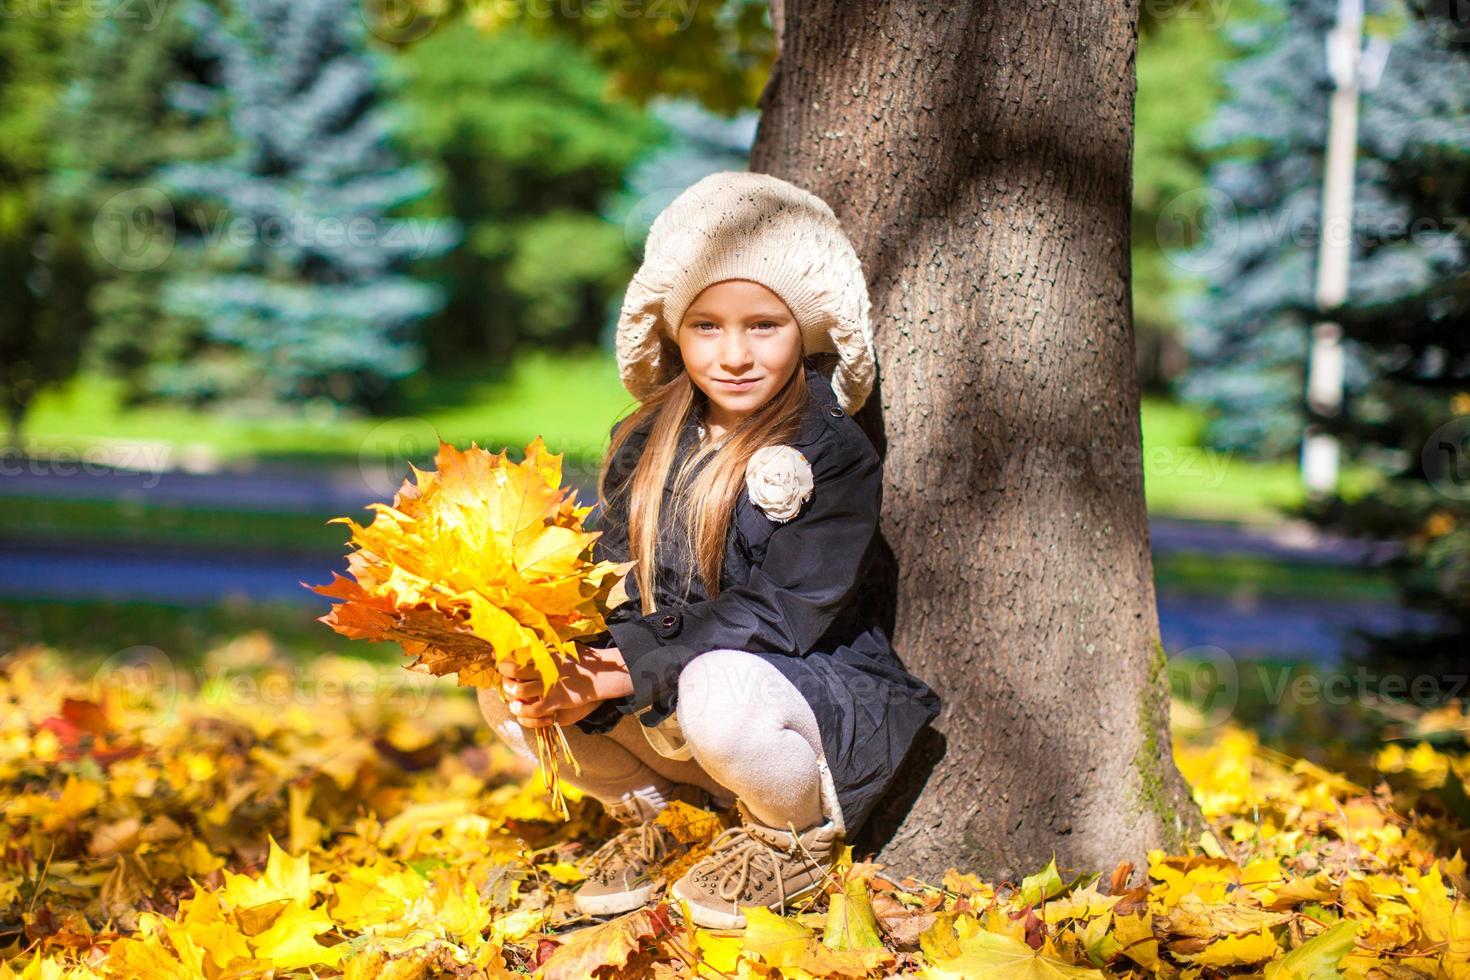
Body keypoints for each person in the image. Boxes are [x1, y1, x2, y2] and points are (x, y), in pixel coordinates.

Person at [476, 171, 941, 930]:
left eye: (763, 325)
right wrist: (548, 640)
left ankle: (788, 842)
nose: (733, 354)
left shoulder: (831, 452)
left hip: (781, 704)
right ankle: (665, 819)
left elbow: (782, 614)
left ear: (805, 332)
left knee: (719, 688)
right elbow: (605, 576)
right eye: (706, 327)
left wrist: (623, 663)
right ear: (675, 331)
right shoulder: (646, 441)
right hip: (664, 699)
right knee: (510, 683)